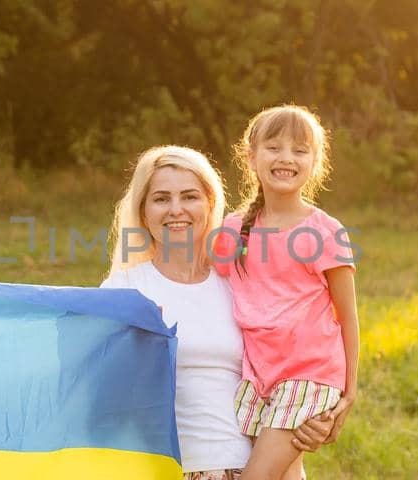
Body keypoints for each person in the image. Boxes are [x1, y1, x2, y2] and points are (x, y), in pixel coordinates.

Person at [101, 145, 331, 480]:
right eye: (162, 198)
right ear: (143, 210)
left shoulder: (241, 282)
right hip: (177, 469)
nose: (176, 210)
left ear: (210, 204)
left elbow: (292, 362)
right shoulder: (125, 291)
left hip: (258, 468)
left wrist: (313, 417)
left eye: (190, 196)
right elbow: (102, 393)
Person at [212, 105, 360, 480]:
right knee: (284, 473)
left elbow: (348, 316)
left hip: (309, 376)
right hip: (256, 378)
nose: (286, 158)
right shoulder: (231, 231)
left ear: (315, 162)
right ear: (251, 157)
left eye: (299, 150)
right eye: (274, 147)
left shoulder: (324, 231)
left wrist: (350, 390)